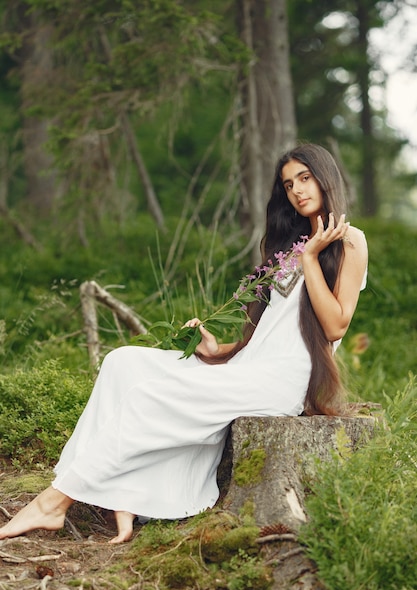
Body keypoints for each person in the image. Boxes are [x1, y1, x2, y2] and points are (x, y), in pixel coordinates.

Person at [0, 143, 368, 544]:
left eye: (305, 177)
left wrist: (312, 258)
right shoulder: (290, 246)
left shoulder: (349, 242)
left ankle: (54, 503)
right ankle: (123, 494)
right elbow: (270, 333)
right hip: (249, 366)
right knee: (124, 362)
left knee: (150, 398)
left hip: (285, 381)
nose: (297, 190)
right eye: (288, 184)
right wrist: (219, 351)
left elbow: (334, 327)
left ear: (324, 177)